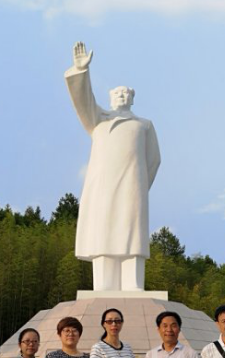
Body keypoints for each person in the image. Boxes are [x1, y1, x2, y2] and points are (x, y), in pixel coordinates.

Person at [65, 42, 161, 291]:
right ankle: (104, 284)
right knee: (104, 233)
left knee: (132, 235)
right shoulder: (98, 120)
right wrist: (81, 71)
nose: (121, 96)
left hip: (132, 186)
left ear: (133, 98)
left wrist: (139, 185)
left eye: (126, 93)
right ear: (109, 97)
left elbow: (154, 159)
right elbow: (83, 101)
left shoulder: (144, 125)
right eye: (117, 93)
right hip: (103, 188)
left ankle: (133, 284)